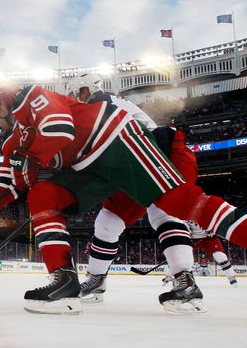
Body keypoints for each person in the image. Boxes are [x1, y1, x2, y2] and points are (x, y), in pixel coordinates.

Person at [0, 81, 247, 315]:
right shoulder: (13, 140)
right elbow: (6, 181)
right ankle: (64, 279)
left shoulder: (34, 98)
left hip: (116, 142)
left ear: (2, 104)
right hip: (91, 164)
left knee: (175, 204)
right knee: (44, 195)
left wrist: (30, 159)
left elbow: (59, 130)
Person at [66, 74, 202, 314]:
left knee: (164, 211)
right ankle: (97, 280)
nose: (72, 103)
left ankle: (186, 281)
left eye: (74, 96)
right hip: (135, 162)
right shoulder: (104, 106)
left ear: (85, 91)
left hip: (161, 152)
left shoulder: (101, 106)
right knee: (107, 222)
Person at [187, 221, 238, 286]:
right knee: (183, 257)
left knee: (220, 256)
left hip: (209, 237)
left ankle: (231, 278)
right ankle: (186, 280)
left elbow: (218, 221)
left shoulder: (208, 211)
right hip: (191, 238)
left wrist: (214, 229)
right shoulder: (184, 212)